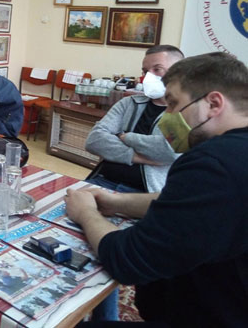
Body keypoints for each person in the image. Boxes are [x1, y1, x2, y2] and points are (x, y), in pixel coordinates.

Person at [67, 52, 248, 327]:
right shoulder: (233, 157)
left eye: (173, 104)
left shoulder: (214, 163)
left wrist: (86, 214)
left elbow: (127, 259)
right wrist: (116, 202)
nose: (167, 116)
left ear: (213, 103)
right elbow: (182, 204)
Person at [85, 45, 185, 193]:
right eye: (145, 71)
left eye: (157, 69)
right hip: (103, 180)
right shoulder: (129, 103)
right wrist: (137, 157)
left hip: (145, 193)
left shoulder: (184, 110)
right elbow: (94, 140)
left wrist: (125, 137)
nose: (148, 77)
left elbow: (170, 151)